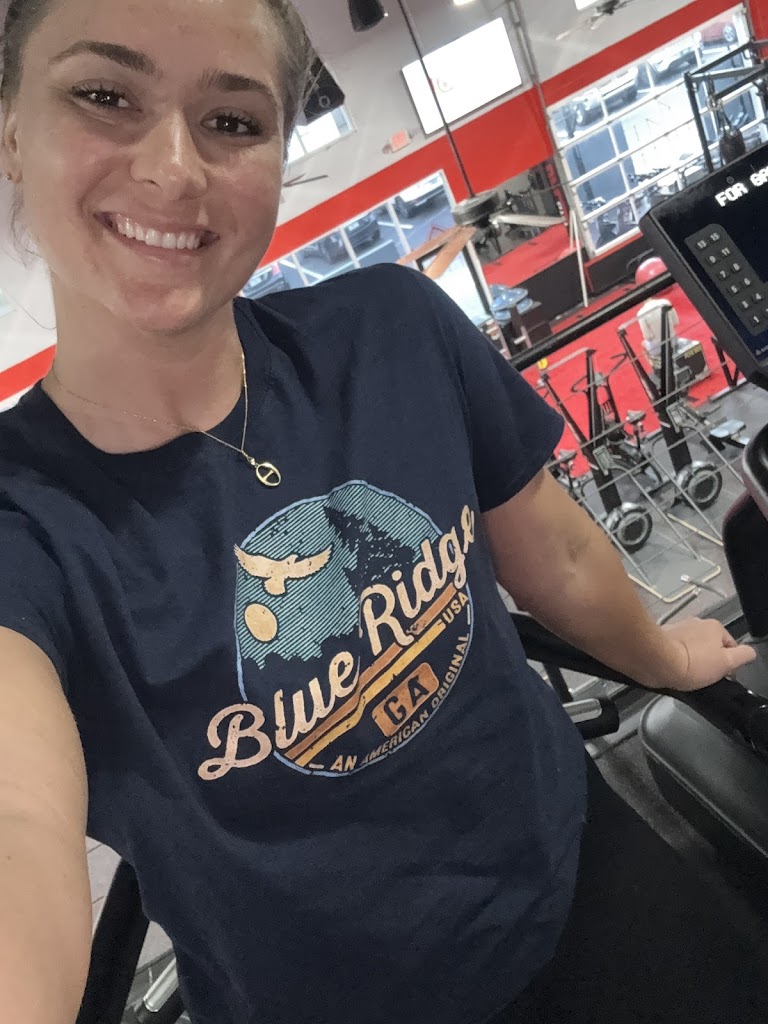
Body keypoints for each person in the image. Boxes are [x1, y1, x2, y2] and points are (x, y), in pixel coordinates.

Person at [0, 1, 763, 1022]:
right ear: (13, 129)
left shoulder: (392, 328)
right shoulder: (24, 523)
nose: (174, 169)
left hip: (583, 881)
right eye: (105, 95)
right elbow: (17, 821)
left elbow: (560, 557)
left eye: (232, 120)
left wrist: (665, 658)